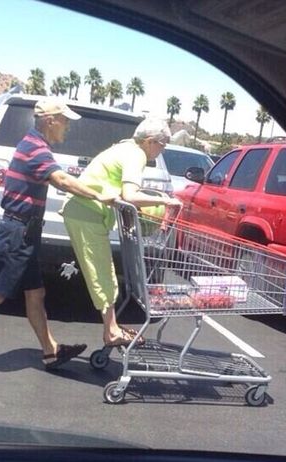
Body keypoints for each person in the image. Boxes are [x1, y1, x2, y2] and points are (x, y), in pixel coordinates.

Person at [0, 98, 116, 372]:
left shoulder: (35, 145)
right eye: (64, 121)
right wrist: (99, 195)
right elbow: (62, 180)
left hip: (25, 233)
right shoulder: (36, 148)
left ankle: (50, 350)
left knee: (36, 293)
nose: (67, 128)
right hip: (16, 233)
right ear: (50, 120)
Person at [61, 118, 182, 347]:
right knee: (101, 273)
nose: (163, 148)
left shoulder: (125, 148)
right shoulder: (136, 155)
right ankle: (111, 332)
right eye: (162, 143)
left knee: (104, 271)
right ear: (149, 141)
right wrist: (165, 200)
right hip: (85, 213)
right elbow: (130, 195)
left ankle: (112, 327)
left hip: (85, 212)